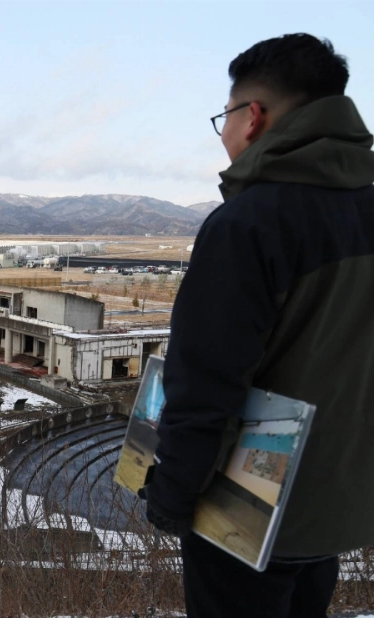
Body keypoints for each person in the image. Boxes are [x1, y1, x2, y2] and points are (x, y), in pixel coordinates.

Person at [140, 33, 374, 618]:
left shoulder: (248, 224)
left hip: (244, 513)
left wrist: (173, 491)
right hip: (335, 508)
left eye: (224, 117)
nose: (224, 134)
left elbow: (207, 381)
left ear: (253, 117)